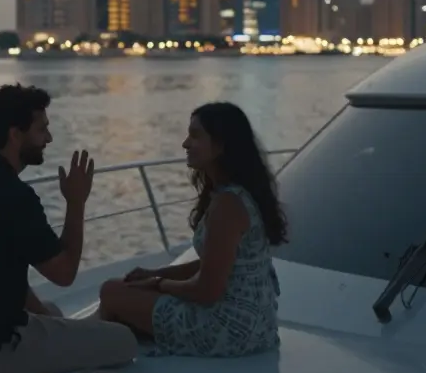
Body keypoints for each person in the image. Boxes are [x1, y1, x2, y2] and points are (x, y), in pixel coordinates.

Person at [0, 83, 138, 373]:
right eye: (42, 129)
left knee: (49, 310)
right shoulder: (12, 194)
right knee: (124, 340)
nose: (48, 137)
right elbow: (64, 274)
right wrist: (76, 203)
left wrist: (47, 320)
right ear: (15, 134)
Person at [97, 101, 287, 357]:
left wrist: (159, 283)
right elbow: (213, 265)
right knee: (124, 292)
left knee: (111, 291)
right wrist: (156, 273)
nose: (185, 143)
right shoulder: (240, 194)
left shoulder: (228, 205)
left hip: (227, 330)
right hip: (255, 326)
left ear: (220, 146)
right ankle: (97, 338)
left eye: (195, 135)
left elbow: (207, 291)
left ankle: (83, 342)